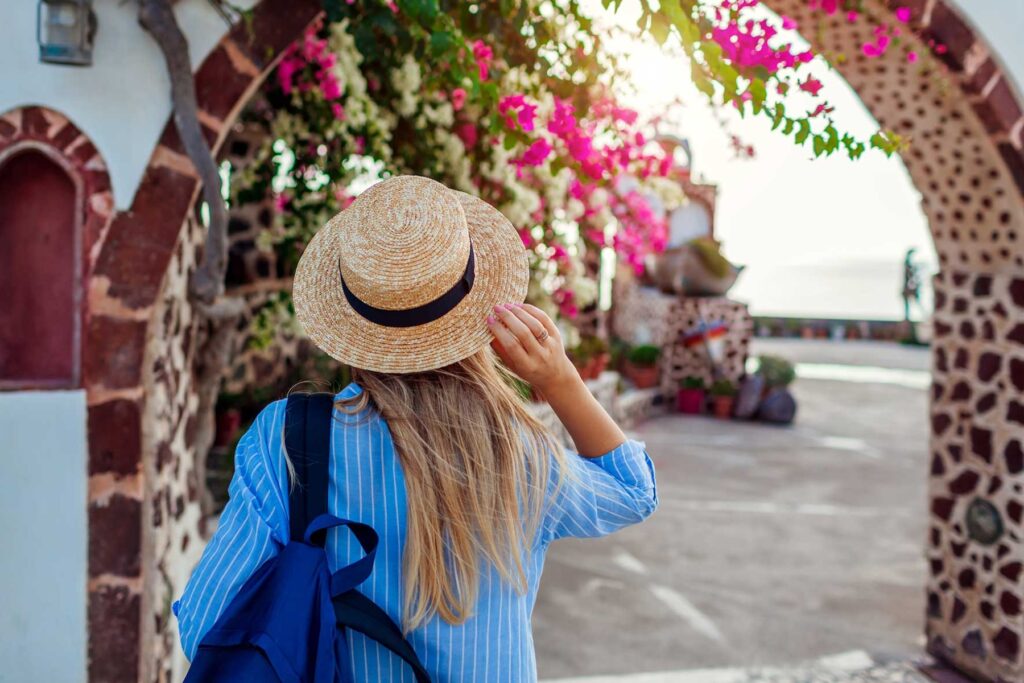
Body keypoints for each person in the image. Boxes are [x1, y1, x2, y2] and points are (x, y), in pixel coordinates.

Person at [173, 175, 658, 681]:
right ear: (476, 311)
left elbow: (207, 626)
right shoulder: (518, 451)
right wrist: (560, 381)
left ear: (351, 311)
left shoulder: (288, 441)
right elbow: (633, 491)